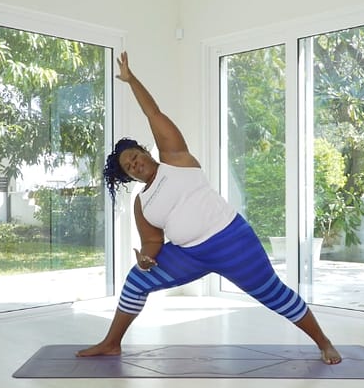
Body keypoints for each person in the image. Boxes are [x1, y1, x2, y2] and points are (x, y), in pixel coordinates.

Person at [77, 52, 342, 364]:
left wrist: (132, 80)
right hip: (189, 254)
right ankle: (111, 343)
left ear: (144, 151)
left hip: (232, 240)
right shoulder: (141, 203)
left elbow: (154, 114)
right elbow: (153, 242)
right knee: (136, 281)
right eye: (129, 167)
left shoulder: (176, 158)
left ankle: (323, 342)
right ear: (128, 175)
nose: (135, 164)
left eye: (134, 155)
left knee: (275, 295)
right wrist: (147, 260)